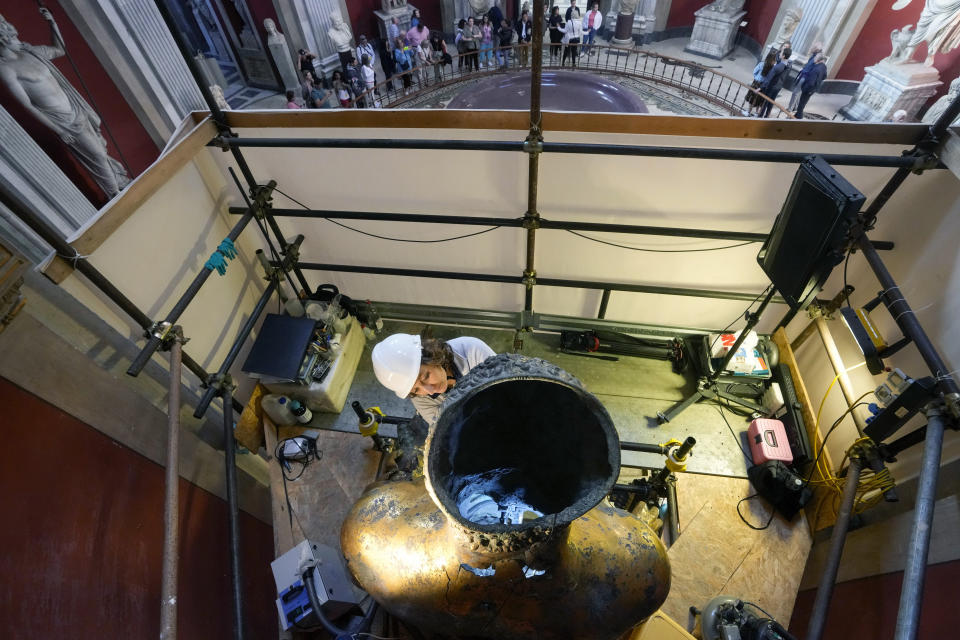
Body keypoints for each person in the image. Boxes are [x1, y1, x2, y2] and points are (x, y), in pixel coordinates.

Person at [371, 333, 496, 427]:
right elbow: (448, 429)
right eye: (416, 389)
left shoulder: (473, 351)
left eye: (425, 376)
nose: (430, 391)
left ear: (432, 356)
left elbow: (503, 390)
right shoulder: (420, 399)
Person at [789, 42, 822, 111]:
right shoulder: (814, 55)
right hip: (804, 76)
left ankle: (790, 109)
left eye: (812, 47)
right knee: (798, 94)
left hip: (805, 78)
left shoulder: (817, 57)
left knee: (795, 93)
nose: (810, 48)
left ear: (816, 49)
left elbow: (813, 69)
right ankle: (794, 108)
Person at [758, 48, 791, 118]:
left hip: (772, 86)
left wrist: (761, 87)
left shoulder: (777, 67)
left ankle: (760, 116)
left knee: (765, 101)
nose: (779, 54)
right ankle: (767, 116)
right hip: (779, 87)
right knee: (771, 102)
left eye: (781, 53)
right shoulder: (789, 65)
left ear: (783, 56)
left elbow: (769, 78)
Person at [794, 53, 827, 119]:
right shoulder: (824, 66)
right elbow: (824, 76)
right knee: (803, 103)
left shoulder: (816, 69)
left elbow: (811, 83)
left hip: (808, 89)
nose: (814, 58)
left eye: (816, 57)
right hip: (813, 89)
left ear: (819, 60)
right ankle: (797, 115)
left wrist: (804, 89)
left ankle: (799, 117)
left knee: (801, 104)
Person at [745, 52, 776, 117]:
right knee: (760, 100)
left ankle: (748, 112)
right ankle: (756, 113)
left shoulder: (761, 64)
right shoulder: (773, 68)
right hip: (764, 85)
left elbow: (755, 71)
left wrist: (756, 77)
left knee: (752, 98)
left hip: (756, 83)